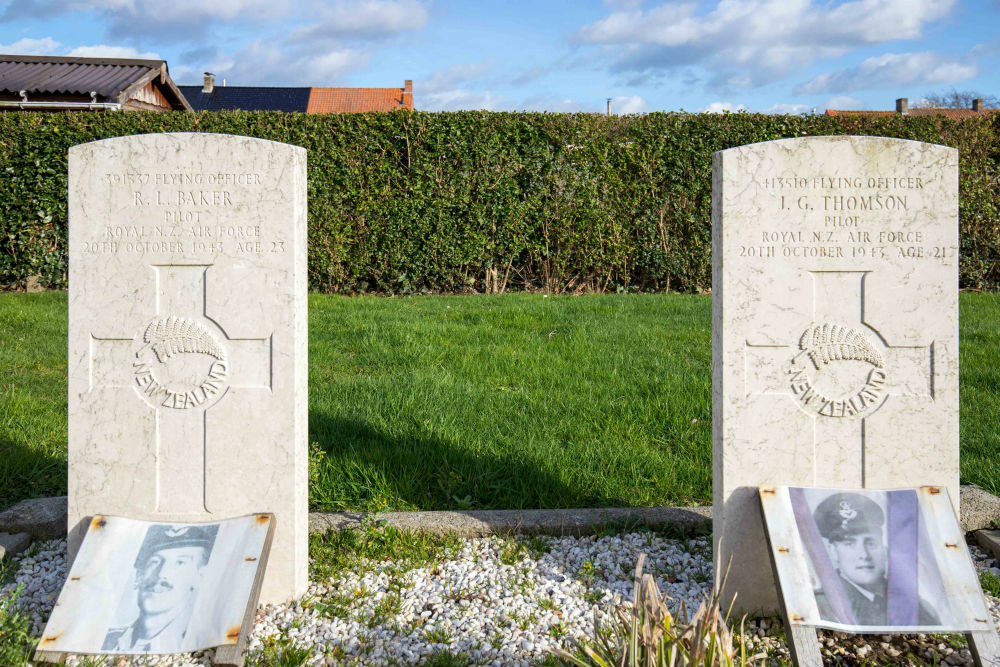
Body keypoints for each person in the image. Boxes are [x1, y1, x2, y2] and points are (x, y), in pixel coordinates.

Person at [812, 492, 938, 626]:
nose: (864, 555)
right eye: (849, 544)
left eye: (871, 543)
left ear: (885, 550)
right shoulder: (821, 606)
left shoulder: (915, 604)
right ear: (834, 552)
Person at [102, 523, 219, 653]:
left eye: (180, 562)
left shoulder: (201, 643)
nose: (162, 573)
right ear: (139, 575)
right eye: (155, 561)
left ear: (199, 577)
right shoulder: (108, 640)